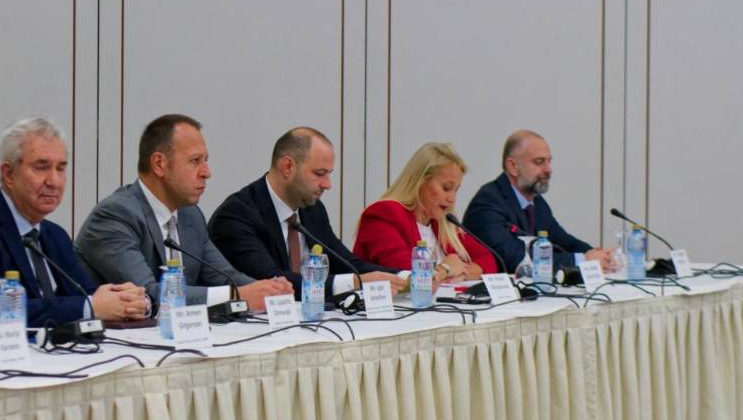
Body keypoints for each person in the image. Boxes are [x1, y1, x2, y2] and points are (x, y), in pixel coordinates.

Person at [0, 116, 150, 325]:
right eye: (41, 167)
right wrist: (89, 307)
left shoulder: (55, 235)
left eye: (60, 168)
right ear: (9, 174)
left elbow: (88, 294)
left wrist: (126, 301)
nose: (54, 181)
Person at [75, 113, 292, 310]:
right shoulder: (115, 215)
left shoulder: (190, 215)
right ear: (159, 164)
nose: (207, 172)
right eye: (195, 161)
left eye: (206, 160)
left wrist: (267, 290)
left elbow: (224, 276)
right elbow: (149, 294)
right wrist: (236, 295)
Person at [208, 126, 406, 296]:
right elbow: (271, 279)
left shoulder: (312, 209)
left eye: (329, 174)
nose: (327, 185)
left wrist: (404, 276)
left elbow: (346, 262)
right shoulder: (236, 216)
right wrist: (354, 283)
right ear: (288, 167)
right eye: (319, 174)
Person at [462, 129, 614, 275]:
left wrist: (596, 254)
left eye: (549, 161)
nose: (549, 169)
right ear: (513, 166)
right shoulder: (488, 202)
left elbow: (564, 241)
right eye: (539, 162)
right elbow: (515, 259)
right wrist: (582, 260)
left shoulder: (536, 201)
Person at [352, 142, 499, 284]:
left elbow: (488, 259)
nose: (452, 199)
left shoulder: (443, 223)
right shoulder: (384, 214)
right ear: (420, 181)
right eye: (446, 188)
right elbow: (404, 273)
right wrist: (446, 269)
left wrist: (465, 272)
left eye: (456, 190)